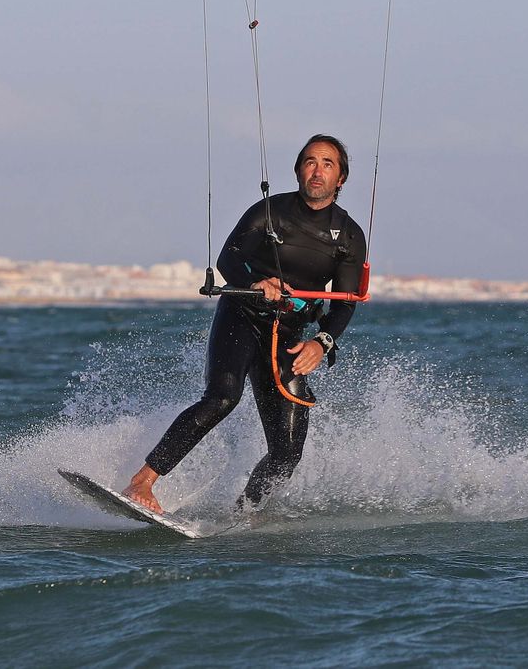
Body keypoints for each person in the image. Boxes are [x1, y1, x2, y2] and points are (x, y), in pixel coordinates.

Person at [123, 134, 368, 513]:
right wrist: (256, 282)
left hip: (288, 334)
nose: (317, 170)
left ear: (341, 179)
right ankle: (142, 482)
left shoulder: (349, 236)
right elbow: (228, 258)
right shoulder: (270, 211)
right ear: (298, 170)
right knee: (222, 398)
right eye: (310, 161)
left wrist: (321, 342)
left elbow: (346, 303)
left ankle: (243, 514)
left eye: (327, 164)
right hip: (242, 316)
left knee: (287, 452)